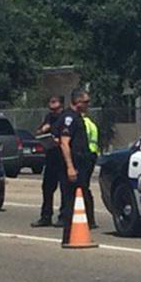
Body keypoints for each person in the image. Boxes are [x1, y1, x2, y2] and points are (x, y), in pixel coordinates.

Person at [57, 89, 97, 229]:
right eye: (86, 102)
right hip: (74, 163)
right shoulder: (69, 118)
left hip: (83, 162)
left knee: (82, 191)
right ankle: (69, 228)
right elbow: (64, 143)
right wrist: (70, 167)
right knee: (70, 196)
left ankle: (86, 222)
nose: (88, 104)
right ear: (78, 102)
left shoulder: (78, 117)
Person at [31, 94, 66, 227]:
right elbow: (38, 131)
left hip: (63, 157)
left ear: (60, 104)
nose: (50, 104)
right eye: (50, 101)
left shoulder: (65, 117)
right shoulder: (49, 117)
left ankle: (64, 216)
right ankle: (46, 216)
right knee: (47, 188)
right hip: (51, 156)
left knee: (64, 188)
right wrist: (42, 130)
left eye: (54, 101)